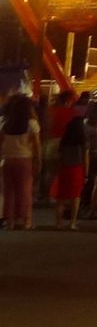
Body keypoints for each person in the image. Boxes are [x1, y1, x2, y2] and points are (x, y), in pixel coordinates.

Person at [1, 93, 41, 230]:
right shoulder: (31, 124)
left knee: (9, 191)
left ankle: (10, 221)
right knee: (25, 190)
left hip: (7, 160)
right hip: (24, 159)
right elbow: (36, 145)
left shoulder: (5, 123)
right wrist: (38, 161)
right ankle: (26, 220)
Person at [52, 109, 89, 230]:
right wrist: (86, 172)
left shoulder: (64, 141)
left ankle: (58, 223)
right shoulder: (82, 141)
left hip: (64, 169)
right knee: (75, 197)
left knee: (61, 197)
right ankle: (72, 223)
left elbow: (59, 156)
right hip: (76, 169)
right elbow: (85, 157)